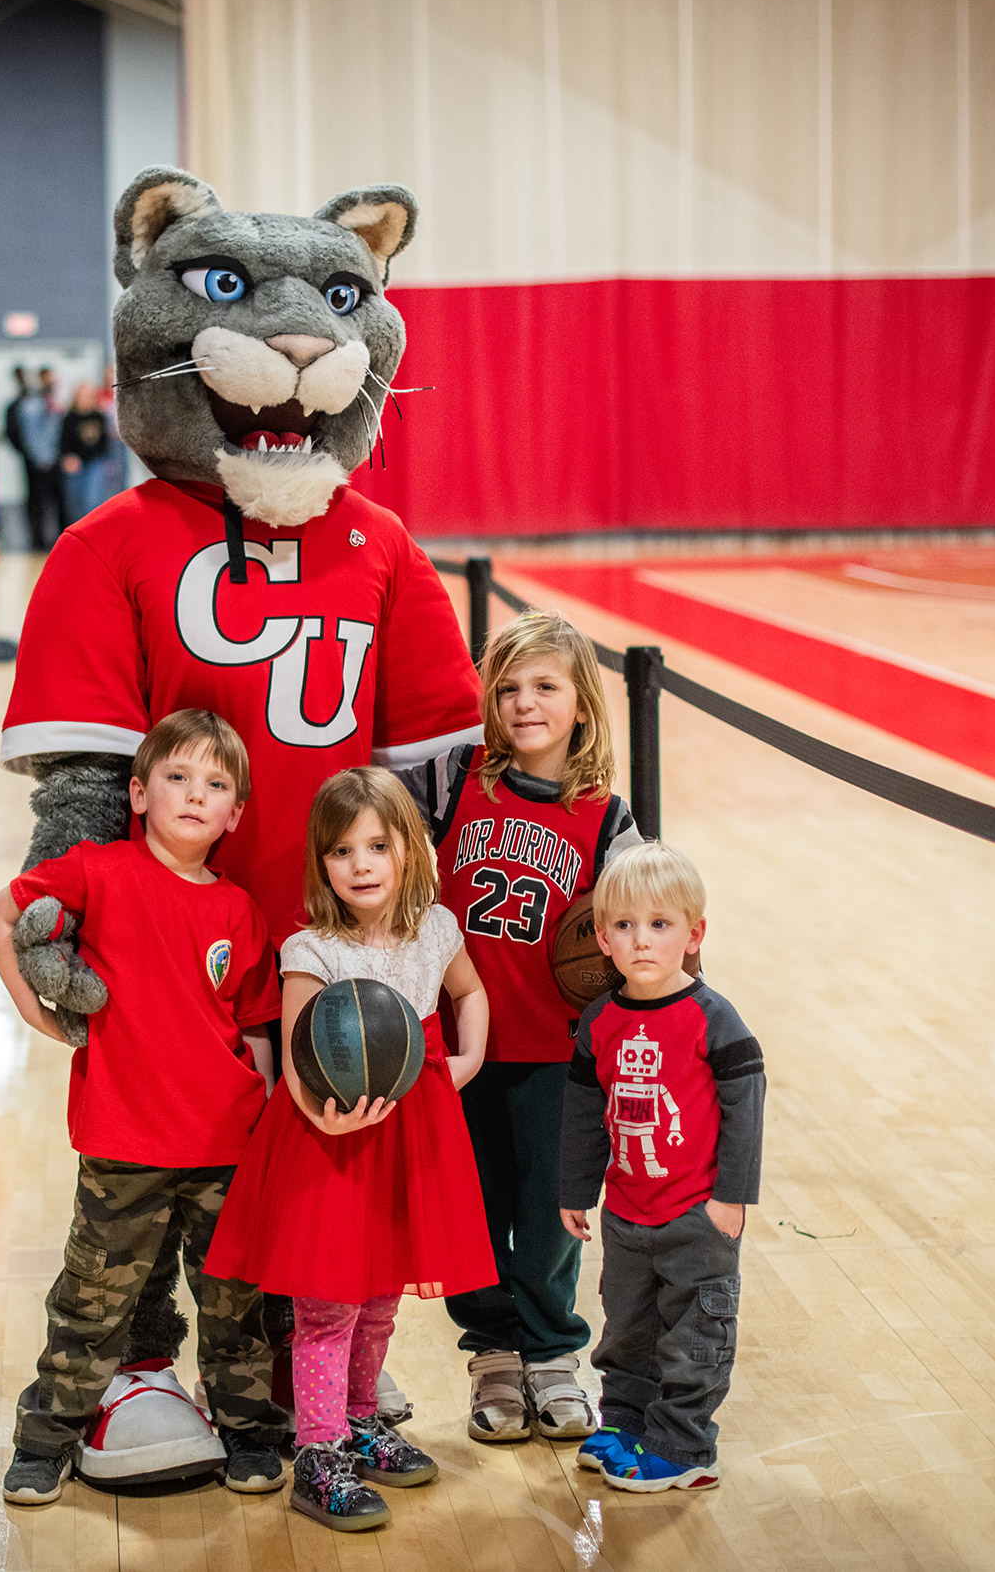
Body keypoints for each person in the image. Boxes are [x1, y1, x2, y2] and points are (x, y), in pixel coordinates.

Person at [0, 709, 290, 1505]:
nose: (196, 795)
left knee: (236, 1309)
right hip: (123, 1148)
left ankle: (250, 1434)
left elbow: (255, 1027)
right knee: (91, 1307)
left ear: (236, 814)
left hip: (224, 1147)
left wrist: (258, 1126)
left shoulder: (241, 912)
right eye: (178, 778)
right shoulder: (98, 868)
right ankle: (45, 1438)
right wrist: (29, 1006)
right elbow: (2, 914)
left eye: (216, 784)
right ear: (138, 792)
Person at [207, 768, 493, 1535]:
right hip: (328, 1144)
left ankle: (362, 1420)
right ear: (320, 862)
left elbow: (469, 992)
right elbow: (302, 1049)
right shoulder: (311, 946)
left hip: (411, 1133)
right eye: (340, 850)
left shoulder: (435, 928)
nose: (361, 863)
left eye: (377, 843)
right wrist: (323, 1117)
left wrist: (465, 1062)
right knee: (328, 1306)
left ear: (411, 846)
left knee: (378, 1300)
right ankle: (319, 1451)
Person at [397, 611, 643, 1444]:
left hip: (557, 1054)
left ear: (582, 703)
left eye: (544, 686)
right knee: (470, 1209)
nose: (523, 703)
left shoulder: (608, 818)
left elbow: (643, 924)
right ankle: (492, 1351)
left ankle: (552, 1353)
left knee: (549, 1219)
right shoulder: (455, 777)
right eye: (505, 688)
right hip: (460, 1046)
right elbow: (376, 822)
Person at [560, 841, 765, 1495]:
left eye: (659, 924)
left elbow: (746, 1106)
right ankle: (623, 1420)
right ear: (600, 938)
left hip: (696, 1213)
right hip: (626, 1213)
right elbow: (587, 1113)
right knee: (627, 1326)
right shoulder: (600, 1023)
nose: (640, 940)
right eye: (623, 925)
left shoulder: (714, 1019)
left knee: (694, 1334)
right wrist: (575, 1188)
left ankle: (684, 1446)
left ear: (693, 932)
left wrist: (731, 1196)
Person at [6, 363, 64, 550]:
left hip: (55, 460)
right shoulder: (26, 406)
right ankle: (37, 541)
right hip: (34, 462)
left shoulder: (55, 404)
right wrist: (34, 457)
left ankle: (61, 539)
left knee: (58, 501)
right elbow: (24, 435)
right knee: (36, 502)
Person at [59, 380, 123, 522]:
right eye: (81, 396)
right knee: (75, 501)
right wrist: (68, 458)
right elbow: (64, 443)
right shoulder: (70, 418)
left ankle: (91, 529)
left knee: (92, 500)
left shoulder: (98, 416)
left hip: (95, 461)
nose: (84, 399)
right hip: (76, 462)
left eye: (87, 395)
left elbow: (104, 442)